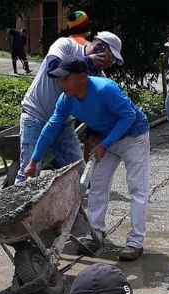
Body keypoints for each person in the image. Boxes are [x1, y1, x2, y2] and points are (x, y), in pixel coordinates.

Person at [24, 56, 149, 261]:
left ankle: (135, 242)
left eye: (65, 79)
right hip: (106, 139)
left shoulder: (105, 89)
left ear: (82, 77)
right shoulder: (66, 99)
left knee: (137, 188)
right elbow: (51, 128)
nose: (60, 83)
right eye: (59, 79)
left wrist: (105, 145)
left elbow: (129, 116)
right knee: (97, 185)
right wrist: (34, 160)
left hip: (134, 136)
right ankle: (95, 233)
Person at [16, 31, 121, 183]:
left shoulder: (97, 76)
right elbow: (53, 68)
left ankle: (75, 206)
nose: (110, 64)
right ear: (99, 47)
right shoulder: (65, 45)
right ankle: (21, 205)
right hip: (35, 114)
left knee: (78, 171)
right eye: (110, 58)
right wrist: (88, 62)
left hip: (62, 122)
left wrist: (92, 135)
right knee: (29, 174)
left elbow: (97, 109)